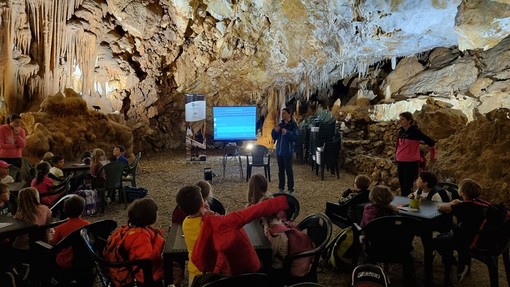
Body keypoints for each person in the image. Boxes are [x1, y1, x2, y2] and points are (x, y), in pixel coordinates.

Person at [176, 185, 288, 284]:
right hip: (218, 274)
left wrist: (210, 215)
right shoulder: (219, 222)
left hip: (195, 274)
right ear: (202, 203)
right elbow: (247, 214)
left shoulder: (186, 223)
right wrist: (278, 202)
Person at [435, 179, 487, 284]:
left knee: (437, 241)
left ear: (462, 192)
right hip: (481, 237)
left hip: (467, 240)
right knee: (445, 235)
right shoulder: (481, 203)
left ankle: (453, 264)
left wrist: (453, 203)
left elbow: (441, 208)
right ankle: (465, 264)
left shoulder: (463, 206)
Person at [106, 198, 165, 285]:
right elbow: (149, 258)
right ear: (150, 217)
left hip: (134, 267)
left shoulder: (128, 228)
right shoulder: (140, 236)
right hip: (145, 274)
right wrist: (159, 240)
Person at [395, 112, 436, 196]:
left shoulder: (415, 132)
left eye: (402, 119)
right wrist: (396, 156)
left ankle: (408, 204)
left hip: (411, 162)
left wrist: (433, 156)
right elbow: (398, 146)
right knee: (402, 184)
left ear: (409, 120)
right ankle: (403, 204)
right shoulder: (401, 132)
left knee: (408, 185)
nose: (400, 121)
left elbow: (431, 142)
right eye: (400, 119)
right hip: (400, 161)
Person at [50, 195, 90, 269]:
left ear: (65, 210)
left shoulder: (60, 228)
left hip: (65, 262)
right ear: (82, 210)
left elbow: (54, 243)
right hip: (83, 260)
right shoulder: (87, 224)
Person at [271, 108, 298, 193]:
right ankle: (281, 188)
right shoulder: (280, 125)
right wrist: (275, 131)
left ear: (289, 114)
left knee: (289, 171)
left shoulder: (293, 125)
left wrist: (287, 133)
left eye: (284, 113)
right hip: (279, 152)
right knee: (281, 171)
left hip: (287, 152)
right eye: (282, 113)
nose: (282, 115)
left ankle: (290, 189)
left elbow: (295, 137)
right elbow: (274, 137)